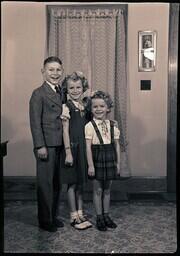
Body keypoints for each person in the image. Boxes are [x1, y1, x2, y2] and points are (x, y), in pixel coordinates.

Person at [29, 56, 65, 232]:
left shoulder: (61, 91)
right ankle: (45, 220)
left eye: (58, 69)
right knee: (45, 183)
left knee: (57, 182)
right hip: (46, 145)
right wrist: (39, 146)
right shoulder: (38, 93)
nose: (55, 73)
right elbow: (35, 122)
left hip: (60, 144)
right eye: (51, 70)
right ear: (43, 72)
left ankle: (53, 215)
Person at [60, 71, 92, 230]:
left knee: (80, 183)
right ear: (66, 89)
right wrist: (68, 153)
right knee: (72, 184)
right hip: (72, 149)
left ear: (83, 88)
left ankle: (80, 212)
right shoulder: (66, 107)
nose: (75, 90)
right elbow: (65, 131)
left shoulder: (85, 106)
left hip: (83, 150)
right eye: (71, 87)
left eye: (78, 87)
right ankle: (73, 215)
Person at [85, 90, 121, 231]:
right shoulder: (89, 126)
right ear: (91, 109)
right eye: (95, 107)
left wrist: (118, 163)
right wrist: (90, 165)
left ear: (108, 108)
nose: (98, 109)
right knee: (98, 189)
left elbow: (117, 145)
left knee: (107, 189)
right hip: (97, 158)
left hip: (110, 158)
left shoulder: (113, 125)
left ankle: (106, 216)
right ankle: (99, 217)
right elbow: (88, 147)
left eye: (101, 106)